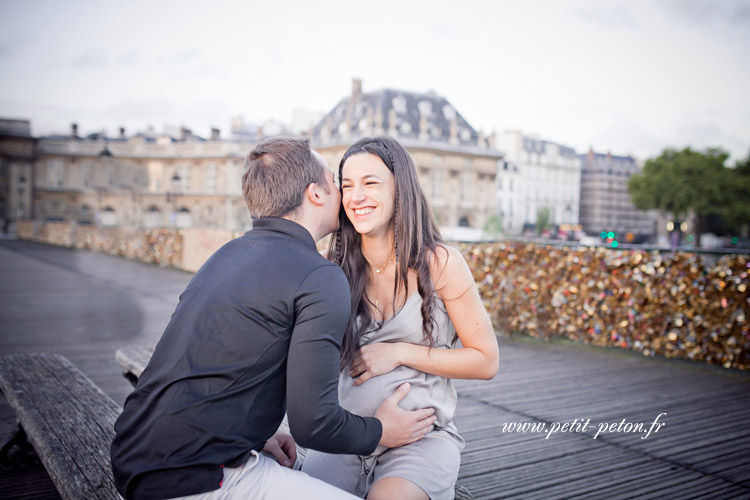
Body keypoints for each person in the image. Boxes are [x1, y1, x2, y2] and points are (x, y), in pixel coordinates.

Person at [110, 137, 437, 500]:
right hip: (197, 479)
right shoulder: (318, 275)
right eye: (336, 183)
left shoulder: (226, 255)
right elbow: (314, 424)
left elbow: (201, 363)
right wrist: (380, 431)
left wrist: (257, 436)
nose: (345, 196)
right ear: (315, 194)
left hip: (133, 460)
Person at [302, 136, 500, 500]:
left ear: (400, 189)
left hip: (419, 440)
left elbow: (486, 361)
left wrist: (399, 352)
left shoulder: (440, 263)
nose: (356, 196)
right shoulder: (334, 268)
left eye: (370, 183)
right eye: (347, 186)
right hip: (349, 434)